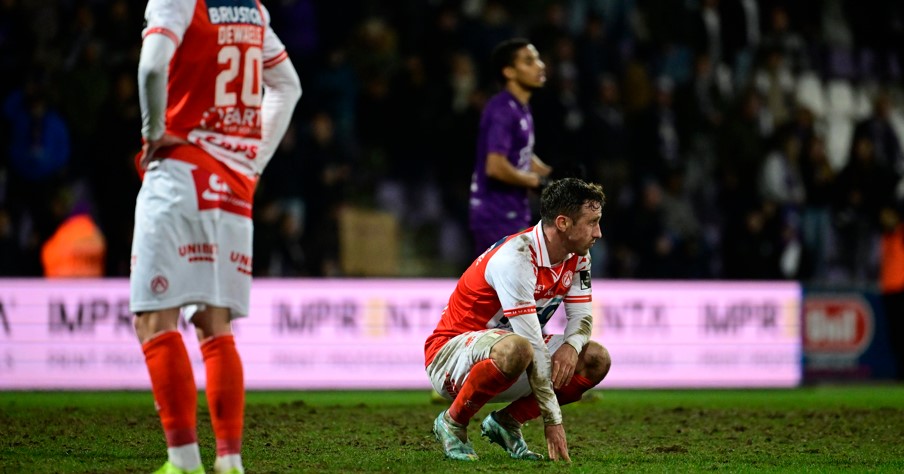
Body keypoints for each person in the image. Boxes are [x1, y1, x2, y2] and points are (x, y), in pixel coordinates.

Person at [130, 2, 301, 474]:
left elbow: (151, 66)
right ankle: (229, 462)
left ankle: (182, 461)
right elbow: (288, 86)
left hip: (181, 171)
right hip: (233, 186)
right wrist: (253, 161)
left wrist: (152, 134)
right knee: (214, 323)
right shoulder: (252, 8)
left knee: (154, 320)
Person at [425, 177, 612, 462]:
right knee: (521, 347)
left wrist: (571, 347)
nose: (598, 232)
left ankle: (506, 422)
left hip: (511, 355)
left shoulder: (577, 256)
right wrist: (553, 420)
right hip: (450, 355)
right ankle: (453, 422)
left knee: (595, 358)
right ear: (563, 223)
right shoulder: (517, 257)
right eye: (591, 222)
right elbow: (531, 344)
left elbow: (582, 316)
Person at [468, 38, 553, 258]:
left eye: (537, 59)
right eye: (529, 61)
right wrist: (536, 181)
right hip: (496, 215)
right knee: (505, 289)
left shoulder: (520, 107)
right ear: (509, 72)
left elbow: (522, 154)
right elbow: (495, 166)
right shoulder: (502, 110)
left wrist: (555, 176)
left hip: (512, 212)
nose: (540, 65)